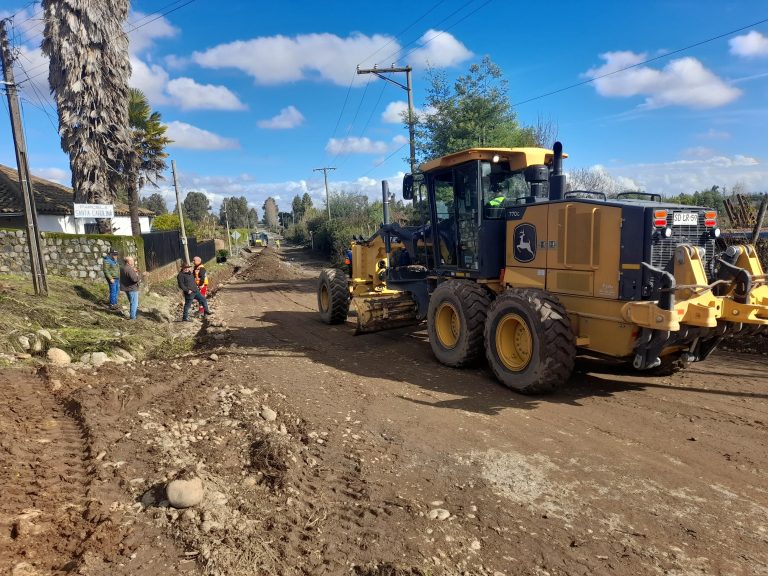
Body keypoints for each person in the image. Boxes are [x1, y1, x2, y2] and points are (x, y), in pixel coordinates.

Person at [120, 256, 141, 320]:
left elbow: (127, 276)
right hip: (132, 288)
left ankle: (133, 316)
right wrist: (142, 275)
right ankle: (133, 318)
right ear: (128, 261)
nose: (133, 261)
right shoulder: (129, 269)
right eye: (132, 260)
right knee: (134, 303)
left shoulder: (122, 268)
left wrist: (134, 271)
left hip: (126, 288)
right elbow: (135, 279)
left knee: (132, 302)